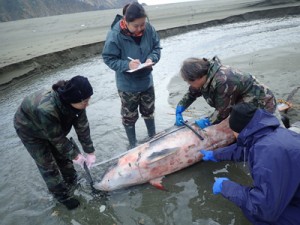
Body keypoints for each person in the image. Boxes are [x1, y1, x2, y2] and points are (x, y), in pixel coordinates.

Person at [200, 103, 300, 224]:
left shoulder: (266, 155)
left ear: (239, 130)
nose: (233, 135)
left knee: (254, 211)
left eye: (233, 131)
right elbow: (245, 149)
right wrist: (215, 154)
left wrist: (226, 187)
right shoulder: (273, 133)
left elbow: (264, 208)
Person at [14, 75, 97, 210]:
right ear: (72, 100)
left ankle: (72, 180)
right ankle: (61, 196)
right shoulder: (47, 108)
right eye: (85, 101)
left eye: (89, 99)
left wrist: (89, 151)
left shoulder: (79, 102)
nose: (88, 104)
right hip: (29, 129)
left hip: (53, 127)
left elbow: (82, 127)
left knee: (64, 157)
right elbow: (57, 139)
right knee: (48, 165)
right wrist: (76, 155)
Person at [102, 2, 161, 149]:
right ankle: (133, 145)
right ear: (125, 22)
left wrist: (152, 59)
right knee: (129, 117)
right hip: (127, 86)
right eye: (136, 25)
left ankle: (153, 137)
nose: (140, 28)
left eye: (143, 24)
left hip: (146, 81)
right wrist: (127, 65)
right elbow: (109, 58)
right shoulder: (115, 35)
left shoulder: (149, 29)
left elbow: (156, 47)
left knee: (149, 111)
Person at [175, 56, 281, 128]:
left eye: (189, 81)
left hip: (261, 102)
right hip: (241, 102)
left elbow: (223, 111)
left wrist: (208, 122)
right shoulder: (203, 77)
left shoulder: (223, 80)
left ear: (197, 77)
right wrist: (180, 108)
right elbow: (191, 93)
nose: (189, 84)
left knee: (261, 130)